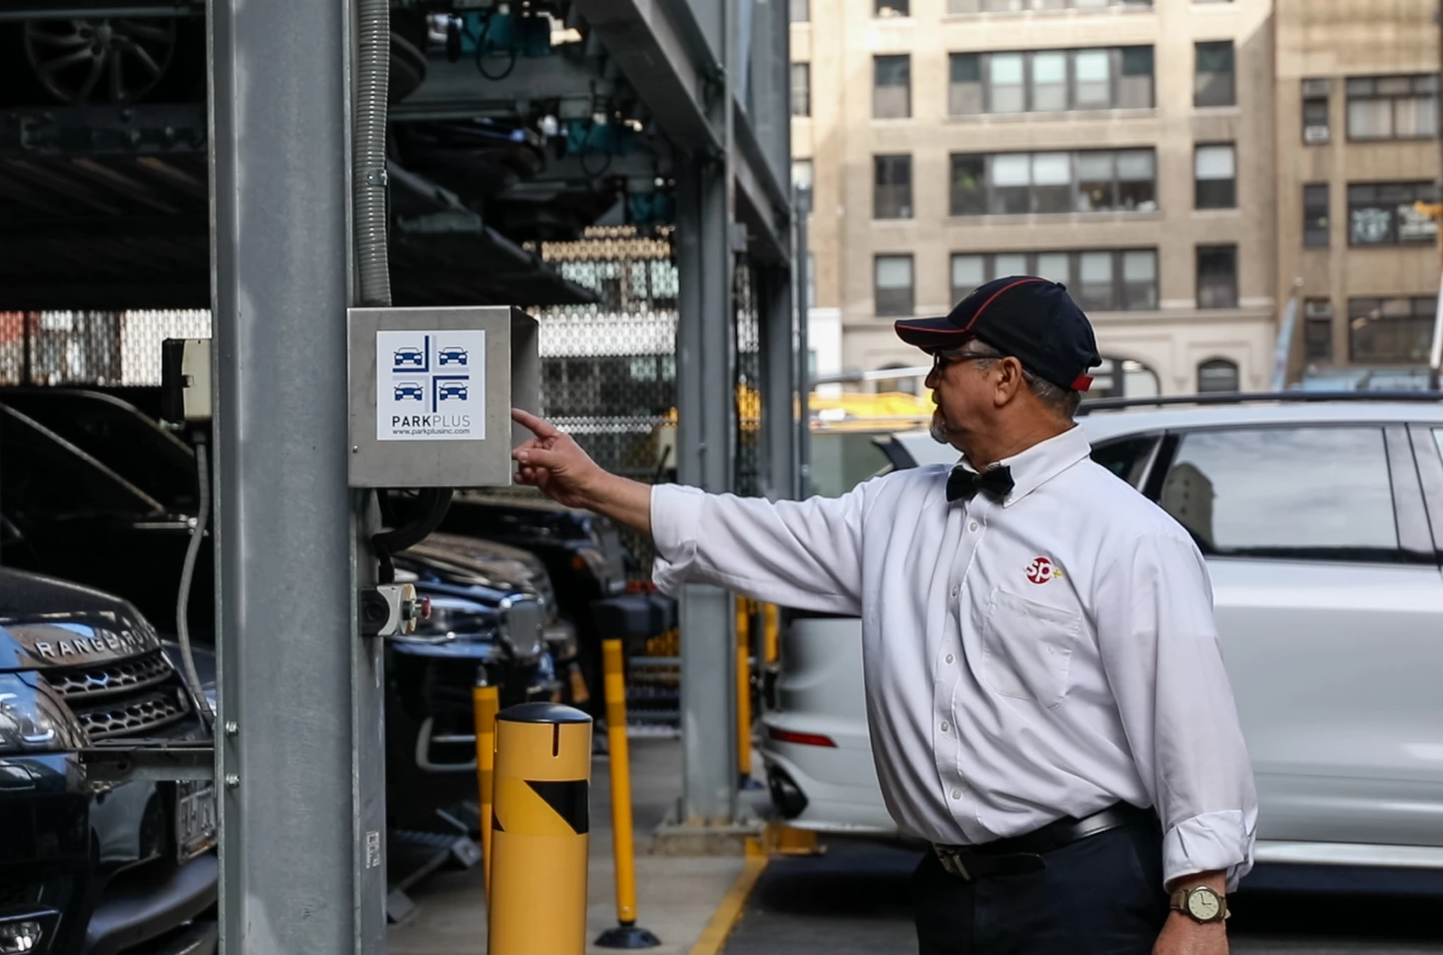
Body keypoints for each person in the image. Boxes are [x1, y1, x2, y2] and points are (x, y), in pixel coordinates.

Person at [510, 275, 1257, 955]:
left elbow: (1193, 732)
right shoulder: (894, 508)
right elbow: (752, 531)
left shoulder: (1129, 535)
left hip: (1083, 893)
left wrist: (1199, 907)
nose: (928, 379)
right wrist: (597, 485)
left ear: (1006, 378)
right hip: (948, 891)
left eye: (946, 360)